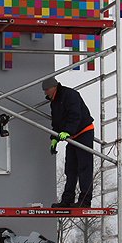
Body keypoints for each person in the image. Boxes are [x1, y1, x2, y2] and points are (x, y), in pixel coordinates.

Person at [42, 77, 94, 207]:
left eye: (46, 90)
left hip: (83, 132)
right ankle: (67, 200)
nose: (45, 93)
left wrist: (68, 131)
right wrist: (54, 138)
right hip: (72, 136)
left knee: (84, 167)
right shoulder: (54, 102)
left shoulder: (70, 95)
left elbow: (75, 115)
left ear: (54, 87)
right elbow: (57, 122)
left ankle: (85, 201)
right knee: (70, 168)